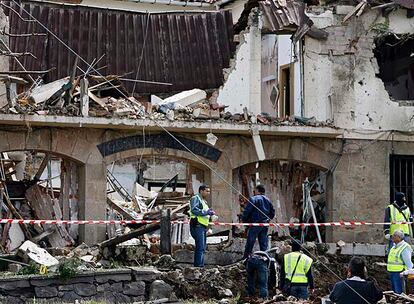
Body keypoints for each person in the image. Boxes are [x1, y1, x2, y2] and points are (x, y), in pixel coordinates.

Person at [242, 184, 275, 258]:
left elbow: (247, 211)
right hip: (265, 224)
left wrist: (244, 220)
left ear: (257, 190)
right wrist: (268, 220)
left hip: (255, 224)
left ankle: (246, 259)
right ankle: (265, 259)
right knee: (263, 244)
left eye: (255, 190)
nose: (254, 191)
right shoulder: (268, 200)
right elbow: (272, 212)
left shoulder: (254, 199)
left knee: (250, 242)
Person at [189, 185, 215, 267]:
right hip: (197, 225)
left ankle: (201, 266)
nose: (208, 193)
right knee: (200, 247)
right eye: (207, 191)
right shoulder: (196, 198)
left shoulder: (203, 201)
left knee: (202, 248)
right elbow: (194, 210)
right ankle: (198, 267)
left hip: (202, 226)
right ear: (201, 191)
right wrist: (206, 212)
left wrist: (210, 214)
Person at [387, 229, 413, 294]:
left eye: (394, 235)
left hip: (399, 273)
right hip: (392, 271)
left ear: (399, 238)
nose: (392, 237)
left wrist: (407, 272)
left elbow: (408, 262)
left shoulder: (405, 247)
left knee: (399, 291)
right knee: (394, 291)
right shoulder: (393, 247)